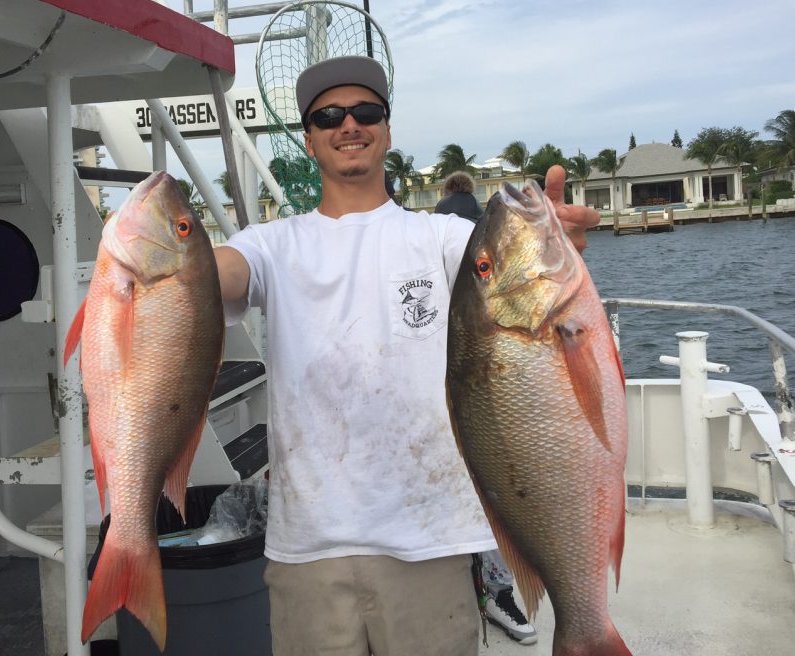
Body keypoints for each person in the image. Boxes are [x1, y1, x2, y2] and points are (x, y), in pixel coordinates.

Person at [213, 55, 598, 656]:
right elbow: (224, 277)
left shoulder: (443, 239)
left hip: (431, 542)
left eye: (366, 112)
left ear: (386, 131)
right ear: (310, 138)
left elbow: (509, 273)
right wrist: (166, 261)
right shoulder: (271, 243)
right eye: (329, 115)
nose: (349, 125)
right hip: (308, 549)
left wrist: (558, 247)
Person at [432, 177, 536, 645]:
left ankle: (496, 588)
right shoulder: (466, 223)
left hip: (476, 387)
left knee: (487, 498)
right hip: (461, 392)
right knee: (489, 497)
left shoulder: (450, 231)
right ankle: (498, 589)